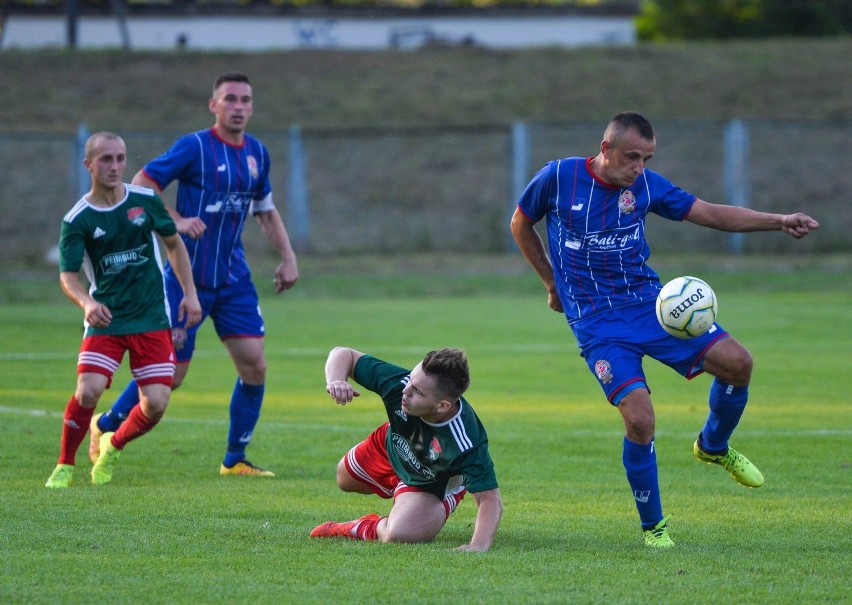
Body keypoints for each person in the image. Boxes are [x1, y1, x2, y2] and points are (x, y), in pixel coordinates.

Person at [510, 111, 819, 547]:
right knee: (640, 421)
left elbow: (710, 213)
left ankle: (713, 445)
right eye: (632, 157)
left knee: (738, 363)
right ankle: (654, 528)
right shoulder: (558, 177)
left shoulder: (646, 186)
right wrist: (549, 281)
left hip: (652, 308)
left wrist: (778, 220)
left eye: (647, 158)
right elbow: (521, 223)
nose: (639, 167)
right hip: (598, 324)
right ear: (606, 149)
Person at [88, 72, 299, 477]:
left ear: (252, 107)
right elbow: (142, 183)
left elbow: (265, 210)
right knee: (173, 376)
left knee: (254, 366)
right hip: (186, 279)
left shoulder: (257, 153)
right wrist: (177, 220)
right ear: (214, 105)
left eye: (245, 100)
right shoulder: (195, 147)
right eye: (230, 99)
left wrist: (287, 257)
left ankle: (234, 460)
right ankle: (107, 424)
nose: (239, 107)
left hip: (233, 279)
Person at [45, 131, 202, 488]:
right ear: (89, 164)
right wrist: (87, 302)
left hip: (150, 315)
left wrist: (189, 294)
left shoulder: (146, 201)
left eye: (120, 158)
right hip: (107, 318)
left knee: (157, 404)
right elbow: (67, 275)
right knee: (88, 390)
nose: (115, 166)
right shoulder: (78, 219)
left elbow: (175, 246)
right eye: (106, 159)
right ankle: (65, 465)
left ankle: (112, 445)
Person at [310, 346, 503, 551]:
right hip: (392, 446)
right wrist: (336, 380)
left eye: (417, 391)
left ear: (442, 406)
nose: (406, 389)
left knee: (399, 534)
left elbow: (490, 498)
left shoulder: (465, 441)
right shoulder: (402, 384)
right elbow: (343, 353)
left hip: (430, 479)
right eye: (411, 378)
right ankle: (405, 496)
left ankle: (366, 527)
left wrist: (478, 545)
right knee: (344, 479)